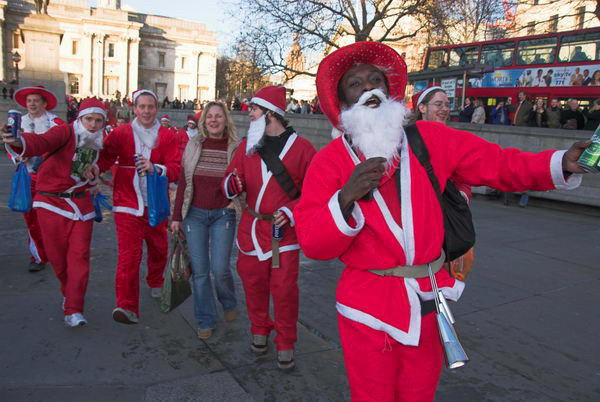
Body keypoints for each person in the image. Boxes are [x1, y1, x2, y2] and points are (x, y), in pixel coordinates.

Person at [292, 41, 587, 402]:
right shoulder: (329, 162)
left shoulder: (430, 139)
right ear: (342, 102)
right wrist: (346, 197)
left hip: (429, 298)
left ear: (389, 90)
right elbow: (314, 244)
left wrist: (559, 163)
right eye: (356, 84)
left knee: (419, 394)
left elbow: (498, 164)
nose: (369, 89)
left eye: (375, 80)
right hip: (366, 306)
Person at [222, 86, 316, 371]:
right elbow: (229, 179)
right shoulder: (247, 146)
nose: (249, 113)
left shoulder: (303, 148)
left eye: (254, 109)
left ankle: (286, 341)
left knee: (285, 289)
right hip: (251, 228)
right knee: (253, 284)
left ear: (270, 113)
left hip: (283, 233)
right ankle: (259, 328)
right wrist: (231, 186)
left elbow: (315, 193)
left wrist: (290, 210)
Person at [2, 98, 107, 327]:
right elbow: (41, 142)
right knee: (58, 260)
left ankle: (74, 309)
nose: (93, 125)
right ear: (80, 118)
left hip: (81, 207)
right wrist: (18, 139)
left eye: (98, 120)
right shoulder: (65, 132)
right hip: (50, 205)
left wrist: (96, 170)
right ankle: (69, 293)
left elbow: (108, 161)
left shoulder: (99, 141)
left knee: (79, 257)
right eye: (89, 119)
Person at [97, 89, 181, 325]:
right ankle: (126, 305)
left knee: (158, 248)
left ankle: (155, 280)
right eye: (141, 106)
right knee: (129, 256)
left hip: (156, 204)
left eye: (150, 106)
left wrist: (157, 167)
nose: (146, 111)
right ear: (134, 108)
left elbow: (175, 168)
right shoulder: (121, 133)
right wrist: (91, 167)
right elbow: (103, 157)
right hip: (127, 204)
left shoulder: (167, 136)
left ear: (157, 109)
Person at [170, 102, 241, 340]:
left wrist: (236, 202)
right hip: (195, 215)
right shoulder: (193, 145)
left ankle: (228, 301)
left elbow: (246, 180)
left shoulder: (235, 148)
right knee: (200, 272)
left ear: (225, 120)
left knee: (220, 269)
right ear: (204, 121)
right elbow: (184, 182)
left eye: (218, 116)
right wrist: (176, 216)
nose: (213, 120)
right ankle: (205, 319)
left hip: (223, 214)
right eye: (209, 116)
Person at [7, 85, 65, 273]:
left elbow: (65, 145)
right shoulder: (17, 122)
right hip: (29, 177)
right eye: (29, 101)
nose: (32, 104)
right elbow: (10, 148)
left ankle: (58, 252)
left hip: (52, 178)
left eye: (36, 101)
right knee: (31, 219)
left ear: (44, 103)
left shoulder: (55, 122)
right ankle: (38, 256)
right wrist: (18, 157)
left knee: (55, 218)